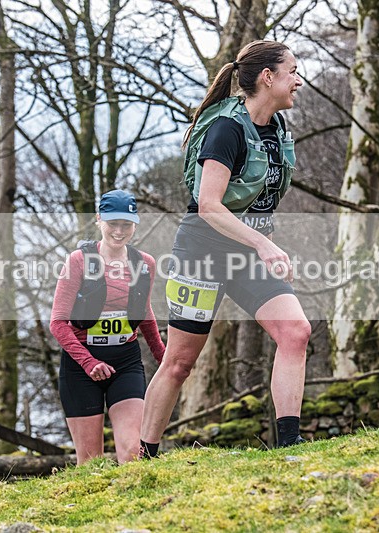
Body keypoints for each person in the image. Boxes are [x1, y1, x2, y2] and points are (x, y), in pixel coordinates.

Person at [139, 40, 310, 458]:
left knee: (296, 332)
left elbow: (257, 203)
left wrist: (264, 244)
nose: (298, 81)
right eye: (292, 72)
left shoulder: (277, 129)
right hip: (202, 252)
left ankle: (290, 445)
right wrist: (264, 243)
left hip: (247, 255)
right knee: (179, 363)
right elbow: (209, 205)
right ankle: (143, 457)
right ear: (267, 77)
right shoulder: (226, 129)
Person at [50, 190, 165, 464]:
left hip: (126, 361)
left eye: (126, 224)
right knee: (92, 462)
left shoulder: (144, 263)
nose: (119, 231)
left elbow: (144, 312)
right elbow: (58, 323)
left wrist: (163, 356)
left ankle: (134, 494)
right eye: (113, 223)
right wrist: (88, 362)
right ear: (99, 220)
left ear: (135, 225)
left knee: (133, 452)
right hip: (81, 366)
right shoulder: (78, 260)